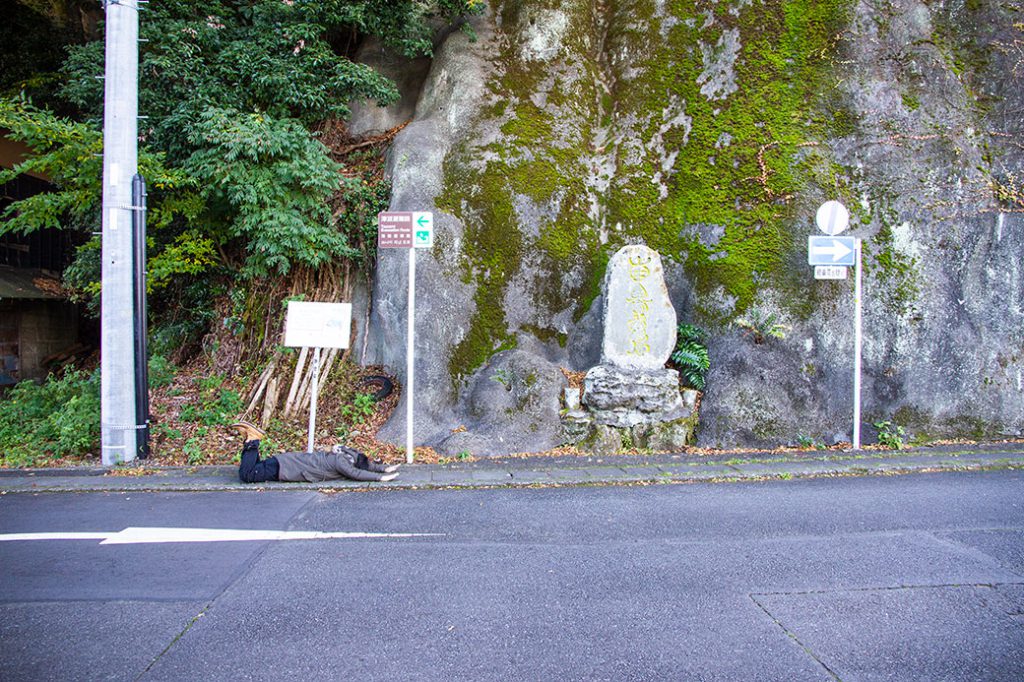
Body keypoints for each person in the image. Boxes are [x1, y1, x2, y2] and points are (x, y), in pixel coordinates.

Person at [231, 421, 400, 483]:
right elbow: (357, 474)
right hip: (287, 469)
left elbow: (366, 465)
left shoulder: (346, 453)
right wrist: (380, 478)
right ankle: (252, 440)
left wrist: (384, 468)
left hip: (288, 462)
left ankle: (251, 439)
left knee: (256, 467)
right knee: (248, 475)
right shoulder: (341, 462)